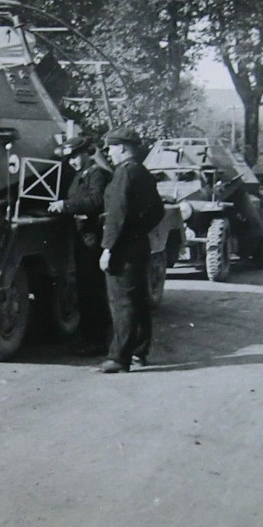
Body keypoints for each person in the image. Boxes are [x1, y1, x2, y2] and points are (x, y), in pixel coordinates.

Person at [98, 126, 164, 374]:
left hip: (122, 249)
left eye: (111, 148)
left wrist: (108, 248)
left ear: (123, 148)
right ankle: (139, 352)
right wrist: (138, 230)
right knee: (138, 300)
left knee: (122, 303)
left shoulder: (124, 173)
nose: (109, 153)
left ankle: (119, 358)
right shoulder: (142, 172)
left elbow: (117, 214)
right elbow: (158, 210)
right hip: (138, 245)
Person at [48, 135, 112, 354]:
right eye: (70, 158)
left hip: (91, 236)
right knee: (85, 288)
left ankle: (98, 341)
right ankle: (89, 338)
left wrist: (65, 205)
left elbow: (96, 201)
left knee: (93, 289)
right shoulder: (79, 175)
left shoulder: (96, 173)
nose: (72, 162)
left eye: (75, 157)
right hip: (81, 235)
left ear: (86, 153)